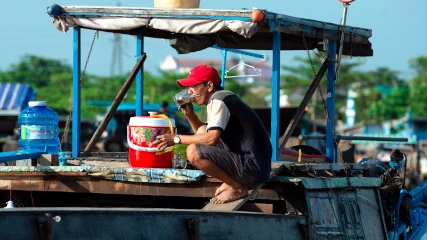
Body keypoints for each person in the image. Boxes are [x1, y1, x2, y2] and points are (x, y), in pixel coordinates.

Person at [154, 65, 272, 204]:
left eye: (193, 86)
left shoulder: (219, 100)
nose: (189, 92)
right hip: (256, 165)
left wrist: (176, 138)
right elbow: (202, 133)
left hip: (252, 167)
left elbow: (211, 139)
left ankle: (236, 187)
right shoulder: (218, 99)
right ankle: (231, 182)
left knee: (193, 151)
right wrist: (190, 115)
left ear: (209, 85)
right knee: (202, 131)